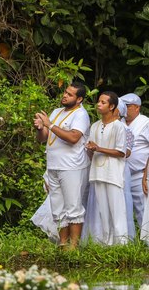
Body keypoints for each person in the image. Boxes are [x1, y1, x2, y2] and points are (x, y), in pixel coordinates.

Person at [33, 82, 91, 248]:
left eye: (70, 94)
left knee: (73, 207)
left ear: (79, 99)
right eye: (65, 92)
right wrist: (40, 127)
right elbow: (44, 138)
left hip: (72, 166)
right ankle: (62, 244)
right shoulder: (57, 112)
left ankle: (74, 247)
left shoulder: (81, 114)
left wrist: (49, 124)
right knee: (58, 208)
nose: (65, 96)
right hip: (54, 165)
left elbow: (73, 137)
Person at [86, 91, 128, 245]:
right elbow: (92, 148)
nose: (98, 104)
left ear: (112, 107)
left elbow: (121, 152)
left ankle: (122, 244)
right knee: (103, 211)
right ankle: (107, 243)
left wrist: (98, 148)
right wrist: (90, 149)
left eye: (103, 102)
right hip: (97, 172)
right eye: (99, 101)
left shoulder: (119, 127)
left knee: (116, 211)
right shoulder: (95, 125)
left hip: (113, 173)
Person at [122, 93, 149, 228]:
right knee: (122, 210)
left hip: (139, 173)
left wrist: (146, 176)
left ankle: (146, 243)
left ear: (137, 107)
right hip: (120, 173)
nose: (123, 108)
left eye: (127, 106)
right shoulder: (119, 122)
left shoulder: (145, 122)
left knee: (142, 209)